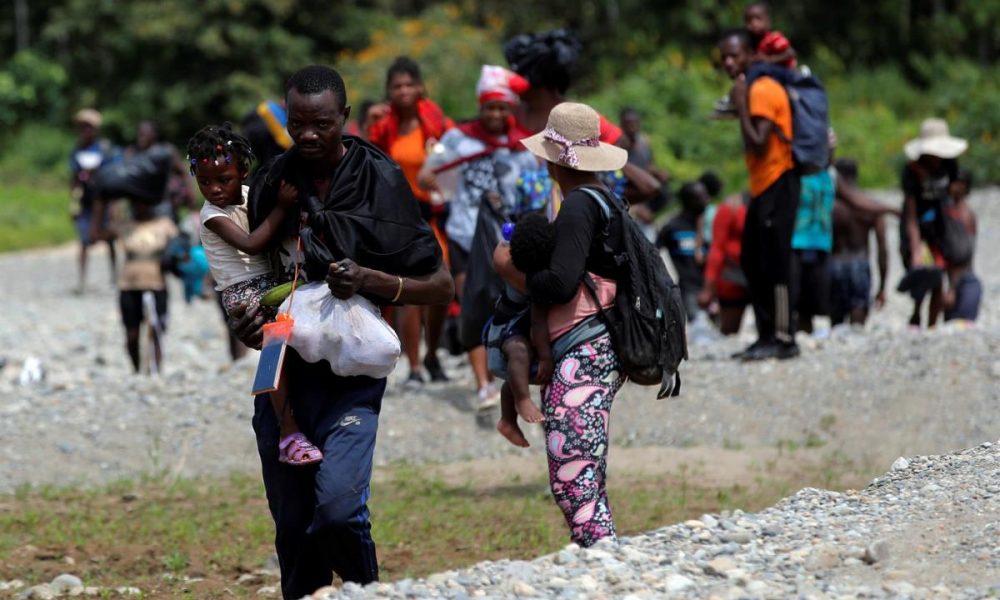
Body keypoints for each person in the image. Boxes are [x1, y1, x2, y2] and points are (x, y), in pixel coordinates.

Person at [229, 65, 453, 599]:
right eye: (298, 123)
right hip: (283, 374)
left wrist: (372, 280)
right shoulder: (274, 183)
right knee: (294, 528)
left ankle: (364, 591)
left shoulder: (381, 181)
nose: (308, 135)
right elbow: (250, 279)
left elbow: (440, 284)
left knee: (336, 511)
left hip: (350, 375)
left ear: (345, 119)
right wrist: (244, 322)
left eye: (322, 124)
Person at [495, 102, 627, 547]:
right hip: (595, 343)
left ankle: (602, 556)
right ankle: (597, 553)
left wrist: (508, 268)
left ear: (554, 157)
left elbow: (558, 284)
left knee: (571, 461)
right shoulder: (601, 198)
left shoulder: (577, 207)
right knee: (584, 458)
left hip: (585, 344)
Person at [189, 123, 323, 467]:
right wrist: (280, 206)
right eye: (205, 182)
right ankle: (288, 430)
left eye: (224, 180)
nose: (215, 189)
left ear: (243, 171)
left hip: (267, 281)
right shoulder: (212, 215)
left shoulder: (251, 195)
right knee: (274, 343)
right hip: (244, 292)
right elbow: (253, 243)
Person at [421, 64, 535, 409]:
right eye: (490, 107)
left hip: (508, 238)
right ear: (481, 105)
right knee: (473, 304)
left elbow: (535, 189)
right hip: (465, 234)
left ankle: (512, 381)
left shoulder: (523, 145)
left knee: (510, 306)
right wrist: (449, 191)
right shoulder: (459, 138)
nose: (496, 114)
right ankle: (482, 383)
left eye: (502, 107)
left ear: (510, 108)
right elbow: (430, 175)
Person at [368, 56, 455, 385]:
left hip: (432, 216)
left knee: (439, 287)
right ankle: (416, 366)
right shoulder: (382, 126)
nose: (404, 91)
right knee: (406, 291)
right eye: (397, 86)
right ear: (389, 91)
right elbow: (365, 159)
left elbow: (455, 160)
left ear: (420, 87)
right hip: (396, 219)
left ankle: (433, 354)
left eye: (409, 84)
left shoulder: (436, 123)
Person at [503, 30, 661, 205]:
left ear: (536, 80)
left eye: (518, 75)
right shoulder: (508, 114)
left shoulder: (577, 117)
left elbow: (621, 147)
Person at [719, 29, 799, 360]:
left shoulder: (763, 89)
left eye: (735, 55)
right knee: (753, 258)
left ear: (752, 56)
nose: (728, 62)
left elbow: (759, 141)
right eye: (724, 56)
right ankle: (765, 334)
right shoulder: (750, 88)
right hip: (762, 185)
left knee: (775, 262)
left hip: (779, 181)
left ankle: (784, 337)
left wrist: (740, 106)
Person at [488, 213, 553, 447]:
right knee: (519, 353)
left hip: (522, 324)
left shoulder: (522, 260)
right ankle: (523, 400)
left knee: (518, 374)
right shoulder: (532, 279)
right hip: (508, 328)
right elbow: (538, 322)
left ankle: (507, 420)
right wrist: (545, 357)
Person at [94, 197, 177, 374]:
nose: (140, 206)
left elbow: (179, 246)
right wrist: (102, 206)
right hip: (129, 284)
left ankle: (155, 369)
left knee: (157, 328)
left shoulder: (164, 225)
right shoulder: (123, 226)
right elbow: (96, 235)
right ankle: (136, 368)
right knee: (132, 333)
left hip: (157, 282)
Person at [899, 118, 967, 328]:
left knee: (941, 273)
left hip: (941, 225)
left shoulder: (949, 165)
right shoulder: (911, 171)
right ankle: (917, 313)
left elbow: (957, 197)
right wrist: (917, 249)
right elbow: (911, 217)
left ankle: (930, 327)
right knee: (923, 272)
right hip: (917, 226)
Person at [829, 158, 889, 326]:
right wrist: (882, 286)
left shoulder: (832, 207)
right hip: (860, 264)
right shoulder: (870, 206)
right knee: (858, 316)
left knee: (836, 321)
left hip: (834, 264)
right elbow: (882, 248)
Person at [69, 108, 120, 293]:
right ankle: (82, 281)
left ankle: (115, 277)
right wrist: (73, 204)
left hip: (104, 201)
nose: (85, 130)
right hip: (86, 202)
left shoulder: (105, 149)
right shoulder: (77, 150)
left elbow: (114, 175)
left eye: (88, 127)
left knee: (109, 239)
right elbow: (74, 180)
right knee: (84, 240)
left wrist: (114, 204)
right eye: (82, 127)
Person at [698, 192, 750, 335]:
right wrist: (708, 286)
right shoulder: (731, 208)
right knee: (730, 330)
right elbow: (717, 248)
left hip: (760, 274)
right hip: (733, 276)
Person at [658, 181, 709, 320]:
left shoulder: (711, 223)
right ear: (689, 201)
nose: (706, 200)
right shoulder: (672, 227)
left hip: (713, 288)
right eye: (700, 197)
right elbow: (653, 253)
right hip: (689, 289)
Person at [125, 120, 195, 219]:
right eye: (139, 134)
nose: (140, 137)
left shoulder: (166, 151)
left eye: (144, 134)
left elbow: (183, 173)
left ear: (153, 134)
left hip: (161, 204)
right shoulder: (131, 153)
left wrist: (191, 203)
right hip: (138, 207)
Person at [942, 169, 981, 322]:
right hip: (954, 281)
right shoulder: (949, 211)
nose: (953, 186)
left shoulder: (965, 215)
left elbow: (964, 255)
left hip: (964, 282)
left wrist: (951, 289)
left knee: (960, 329)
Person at [745, 2, 797, 68]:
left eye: (758, 19)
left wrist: (770, 59)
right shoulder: (751, 43)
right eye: (749, 20)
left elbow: (790, 53)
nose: (754, 23)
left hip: (786, 71)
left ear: (768, 21)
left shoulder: (774, 38)